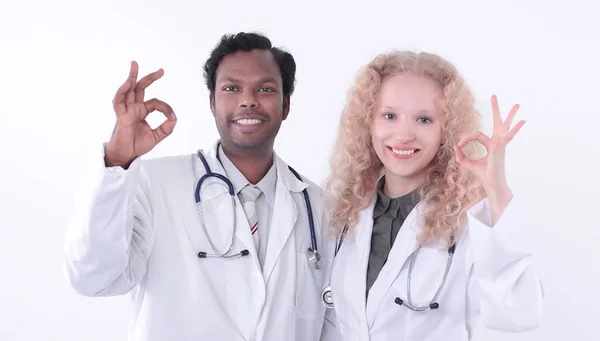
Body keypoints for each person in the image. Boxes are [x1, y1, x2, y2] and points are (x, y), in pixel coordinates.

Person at [63, 32, 335, 341]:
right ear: (212, 102)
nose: (248, 100)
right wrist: (117, 159)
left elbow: (334, 325)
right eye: (232, 88)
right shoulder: (156, 186)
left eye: (266, 89)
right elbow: (93, 277)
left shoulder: (321, 209)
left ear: (286, 105)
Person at [319, 50, 544, 341]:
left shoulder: (469, 223)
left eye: (423, 120)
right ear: (368, 123)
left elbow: (518, 314)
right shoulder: (345, 213)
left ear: (446, 131)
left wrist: (496, 188)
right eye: (389, 116)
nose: (403, 134)